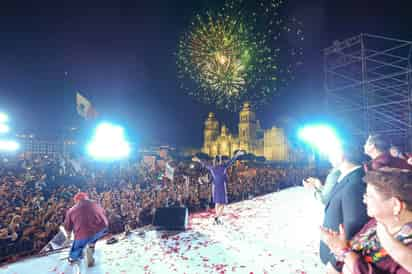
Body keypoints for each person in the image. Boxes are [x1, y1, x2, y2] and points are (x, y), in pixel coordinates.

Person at [321, 169, 412, 274]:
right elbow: (353, 248)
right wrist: (339, 244)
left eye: (370, 196)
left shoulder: (407, 250)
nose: (364, 200)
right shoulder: (376, 222)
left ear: (396, 205)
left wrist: (344, 251)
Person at [319, 143, 370, 274]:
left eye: (331, 153)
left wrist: (336, 261)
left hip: (338, 257)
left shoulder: (355, 182)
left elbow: (354, 225)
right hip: (335, 248)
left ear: (341, 155)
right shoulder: (347, 176)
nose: (329, 157)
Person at [192, 150, 244, 225]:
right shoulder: (223, 166)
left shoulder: (213, 168)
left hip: (216, 186)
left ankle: (217, 218)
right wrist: (237, 154)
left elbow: (204, 163)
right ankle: (217, 217)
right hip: (221, 186)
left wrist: (198, 160)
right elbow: (232, 161)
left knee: (218, 203)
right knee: (222, 203)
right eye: (219, 160)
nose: (219, 161)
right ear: (218, 161)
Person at [64, 192, 108, 266]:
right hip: (102, 230)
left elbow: (67, 227)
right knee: (93, 238)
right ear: (86, 198)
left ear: (76, 201)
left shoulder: (71, 210)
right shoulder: (95, 203)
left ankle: (73, 258)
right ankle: (91, 246)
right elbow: (103, 213)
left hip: (83, 235)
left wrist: (68, 237)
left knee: (76, 249)